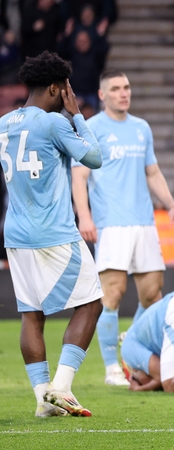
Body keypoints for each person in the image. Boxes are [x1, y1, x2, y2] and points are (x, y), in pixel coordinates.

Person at [1, 51, 103, 417]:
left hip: (15, 233)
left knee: (32, 315)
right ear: (58, 89)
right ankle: (62, 387)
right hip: (54, 232)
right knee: (92, 302)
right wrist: (77, 115)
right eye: (67, 90)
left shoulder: (4, 123)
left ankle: (43, 401)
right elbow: (94, 158)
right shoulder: (55, 122)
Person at [71, 70, 174, 386]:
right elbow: (79, 176)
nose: (124, 93)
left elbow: (153, 172)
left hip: (144, 222)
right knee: (113, 293)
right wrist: (85, 216)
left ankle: (129, 348)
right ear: (103, 94)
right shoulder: (91, 129)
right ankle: (111, 369)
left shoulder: (141, 128)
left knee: (152, 296)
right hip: (111, 223)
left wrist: (171, 205)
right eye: (117, 89)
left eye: (127, 87)